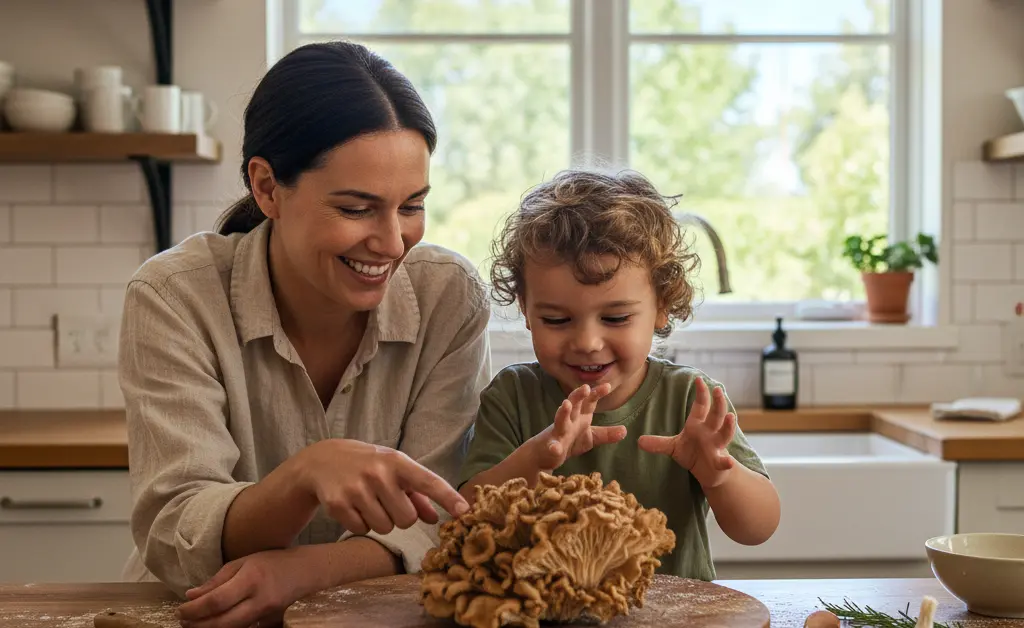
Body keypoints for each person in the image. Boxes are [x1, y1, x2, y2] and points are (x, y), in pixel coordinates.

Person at [117, 41, 492, 627]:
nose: (393, 243)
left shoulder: (449, 296)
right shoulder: (174, 295)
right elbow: (174, 532)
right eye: (355, 208)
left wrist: (306, 570)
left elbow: (442, 518)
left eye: (412, 206)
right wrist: (302, 477)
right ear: (267, 187)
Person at [457, 168, 781, 581]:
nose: (588, 341)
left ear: (662, 305)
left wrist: (719, 474)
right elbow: (465, 519)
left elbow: (758, 528)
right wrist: (538, 458)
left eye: (616, 317)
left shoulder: (690, 399)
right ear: (525, 308)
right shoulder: (512, 397)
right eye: (556, 319)